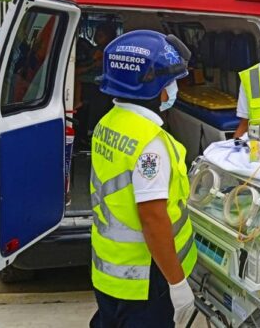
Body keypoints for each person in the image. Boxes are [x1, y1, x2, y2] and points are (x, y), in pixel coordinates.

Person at [89, 30, 197, 327]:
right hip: (145, 280)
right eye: (171, 82)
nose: (174, 89)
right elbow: (153, 219)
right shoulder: (150, 144)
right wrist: (177, 284)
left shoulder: (108, 123)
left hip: (109, 273)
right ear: (154, 87)